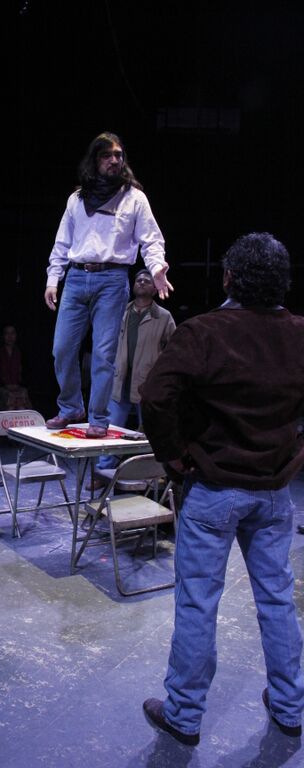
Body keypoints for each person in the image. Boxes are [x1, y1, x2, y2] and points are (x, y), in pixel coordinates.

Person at [139, 232, 304, 745]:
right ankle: (291, 706)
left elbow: (155, 396)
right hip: (274, 492)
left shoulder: (204, 331)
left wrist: (172, 453)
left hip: (213, 489)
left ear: (229, 278)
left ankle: (184, 715)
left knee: (198, 603)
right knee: (278, 600)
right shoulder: (299, 333)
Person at [44, 131, 172, 439]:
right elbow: (62, 241)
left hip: (112, 279)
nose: (114, 160)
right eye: (107, 155)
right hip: (76, 277)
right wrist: (53, 278)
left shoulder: (134, 198)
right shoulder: (77, 199)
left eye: (118, 155)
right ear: (95, 160)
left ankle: (98, 417)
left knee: (103, 354)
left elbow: (151, 239)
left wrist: (157, 268)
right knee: (61, 349)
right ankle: (71, 406)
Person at [88, 268, 176, 489]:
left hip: (147, 384)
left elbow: (173, 349)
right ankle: (102, 474)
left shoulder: (163, 317)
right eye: (139, 279)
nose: (142, 282)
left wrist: (159, 375)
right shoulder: (121, 311)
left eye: (147, 280)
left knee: (152, 431)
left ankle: (154, 474)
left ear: (155, 289)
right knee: (109, 430)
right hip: (119, 381)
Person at [0, 324, 32, 413]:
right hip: (1, 388)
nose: (10, 337)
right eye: (7, 333)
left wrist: (18, 385)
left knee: (22, 401)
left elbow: (26, 374)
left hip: (18, 387)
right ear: (3, 336)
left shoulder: (21, 352)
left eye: (12, 333)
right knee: (10, 399)